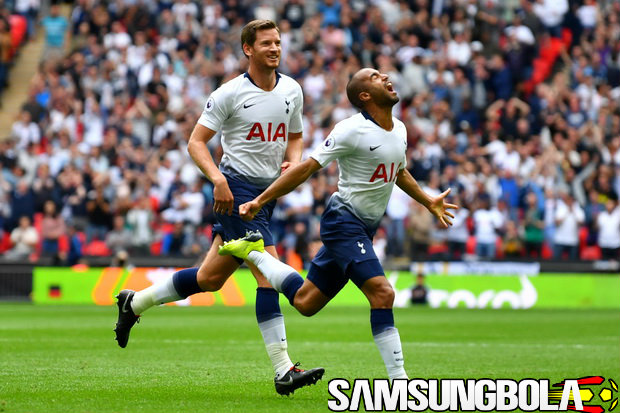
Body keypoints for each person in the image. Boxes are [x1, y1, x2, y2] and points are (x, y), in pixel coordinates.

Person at [113, 20, 323, 396]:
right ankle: (283, 370)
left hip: (266, 195)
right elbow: (196, 142)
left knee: (210, 279)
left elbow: (295, 136)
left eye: (278, 42)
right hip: (235, 192)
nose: (275, 48)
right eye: (266, 43)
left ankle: (135, 302)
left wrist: (293, 160)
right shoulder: (229, 93)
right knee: (266, 273)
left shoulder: (292, 89)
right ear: (248, 49)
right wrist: (217, 179)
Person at [219, 68, 457, 380]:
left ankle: (254, 253)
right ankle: (400, 382)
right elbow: (307, 168)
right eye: (375, 76)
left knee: (305, 302)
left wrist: (427, 200)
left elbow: (398, 171)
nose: (385, 76)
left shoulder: (399, 128)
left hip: (363, 229)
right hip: (343, 223)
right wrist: (260, 200)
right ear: (365, 96)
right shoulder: (351, 130)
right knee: (383, 293)